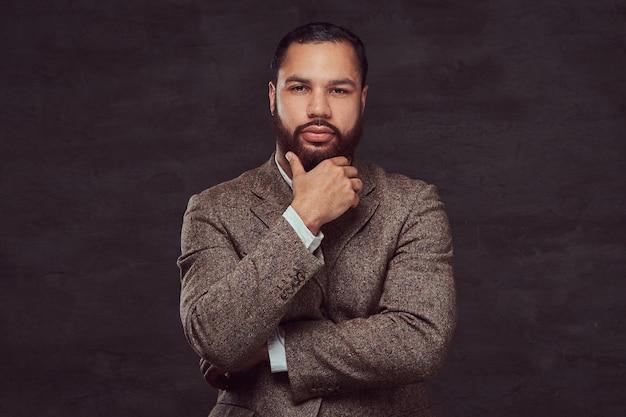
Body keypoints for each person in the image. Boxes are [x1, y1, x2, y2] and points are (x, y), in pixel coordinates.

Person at [177, 21, 456, 417]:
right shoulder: (214, 208)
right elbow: (218, 339)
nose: (319, 109)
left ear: (362, 98)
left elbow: (420, 341)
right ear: (273, 96)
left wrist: (273, 348)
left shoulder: (414, 203)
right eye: (300, 87)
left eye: (338, 90)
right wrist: (303, 217)